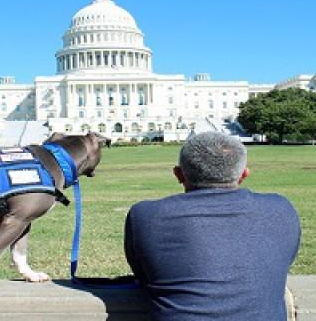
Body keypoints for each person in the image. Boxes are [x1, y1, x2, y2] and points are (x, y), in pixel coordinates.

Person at [125, 131, 300, 321]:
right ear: (244, 174)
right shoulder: (280, 209)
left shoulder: (146, 216)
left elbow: (145, 275)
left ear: (178, 174)